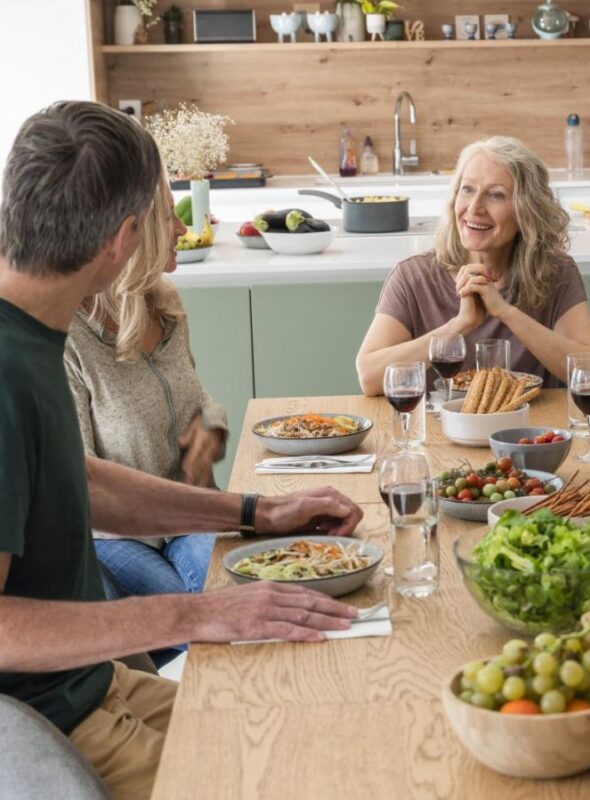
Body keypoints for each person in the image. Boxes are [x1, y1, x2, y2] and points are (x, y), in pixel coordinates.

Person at [0, 101, 364, 800]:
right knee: (298, 778)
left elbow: (79, 481)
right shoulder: (6, 368)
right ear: (122, 239)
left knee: (318, 730)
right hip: (53, 734)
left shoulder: (31, 324)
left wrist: (257, 511)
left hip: (98, 688)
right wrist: (199, 613)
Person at [65, 170, 225, 618]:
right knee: (204, 612)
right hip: (114, 539)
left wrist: (210, 428)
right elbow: (79, 487)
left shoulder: (166, 305)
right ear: (131, 232)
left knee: (237, 584)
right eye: (169, 216)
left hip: (190, 514)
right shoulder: (69, 337)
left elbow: (201, 399)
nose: (182, 229)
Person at [356, 136, 590, 394]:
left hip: (532, 421)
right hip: (437, 420)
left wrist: (505, 312)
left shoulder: (556, 272)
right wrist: (459, 325)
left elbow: (589, 371)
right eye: (468, 189)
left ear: (527, 210)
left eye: (496, 195)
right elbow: (369, 377)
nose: (474, 208)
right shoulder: (413, 276)